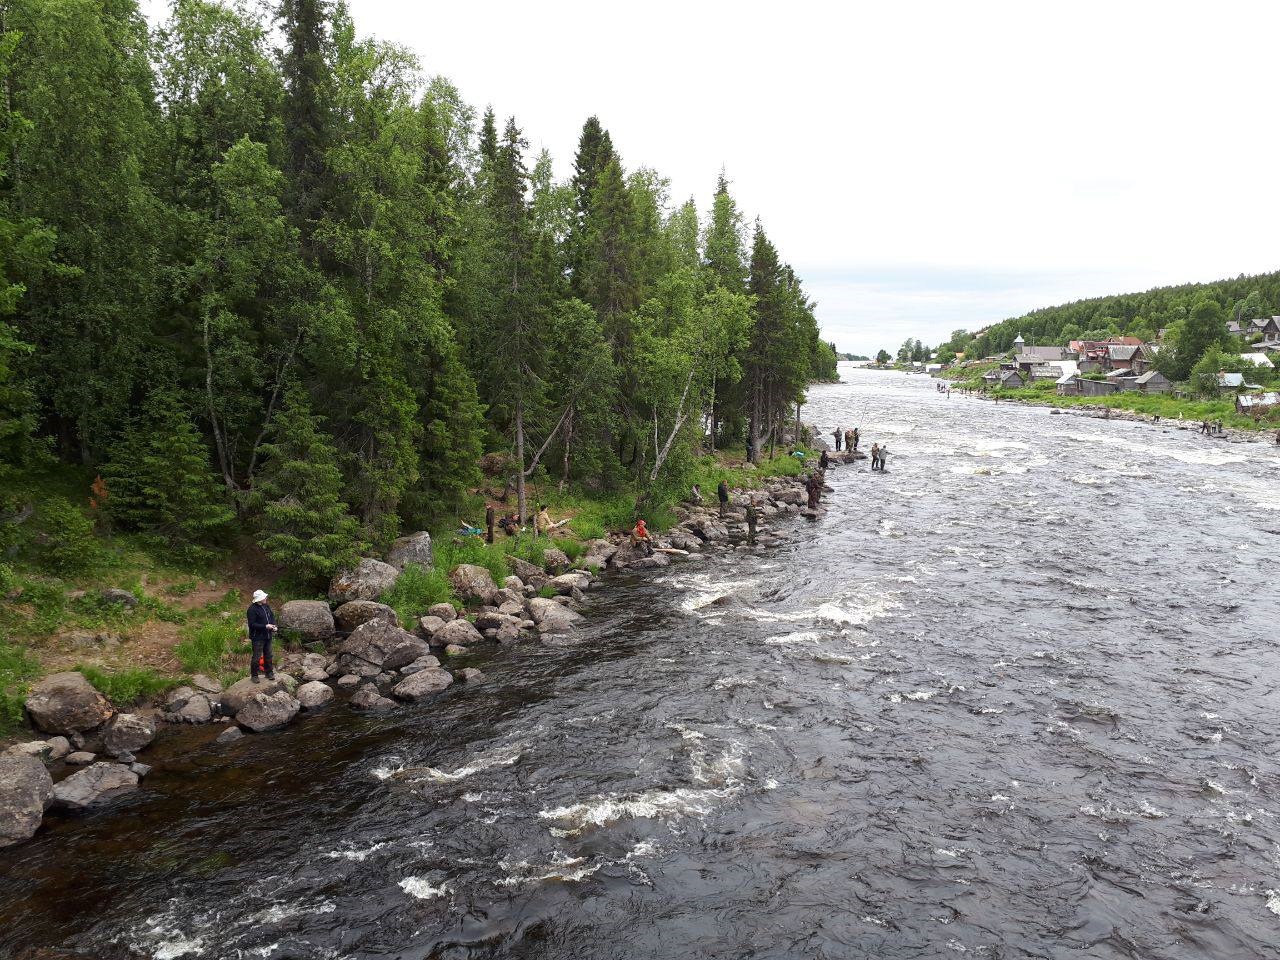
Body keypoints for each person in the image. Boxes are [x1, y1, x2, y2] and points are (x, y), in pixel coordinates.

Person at [246, 589, 277, 683]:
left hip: (268, 636)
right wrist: (265, 626)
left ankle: (269, 673)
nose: (266, 598)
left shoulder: (266, 606)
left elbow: (271, 617)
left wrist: (274, 626)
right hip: (257, 637)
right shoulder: (252, 609)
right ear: (259, 599)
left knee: (268, 655)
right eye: (264, 597)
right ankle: (254, 676)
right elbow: (252, 624)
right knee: (256, 657)